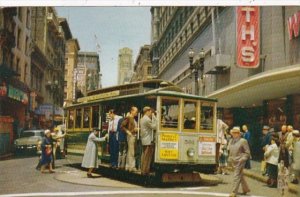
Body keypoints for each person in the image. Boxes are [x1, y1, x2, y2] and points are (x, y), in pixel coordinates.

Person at [228, 126, 251, 197]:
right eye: (233, 133)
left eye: (236, 133)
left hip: (240, 161)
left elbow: (247, 152)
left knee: (236, 176)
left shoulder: (243, 141)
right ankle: (246, 189)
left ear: (239, 134)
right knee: (240, 175)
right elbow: (230, 150)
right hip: (233, 161)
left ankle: (234, 192)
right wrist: (229, 159)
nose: (234, 134)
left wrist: (242, 159)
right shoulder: (231, 141)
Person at [121, 106, 139, 172]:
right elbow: (122, 126)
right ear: (132, 111)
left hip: (132, 135)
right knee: (132, 151)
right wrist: (128, 131)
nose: (136, 113)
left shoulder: (133, 118)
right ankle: (132, 167)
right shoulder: (129, 118)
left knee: (130, 151)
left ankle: (128, 166)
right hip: (131, 136)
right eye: (135, 111)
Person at [140, 106, 157, 175]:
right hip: (148, 140)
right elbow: (155, 127)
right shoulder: (147, 119)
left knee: (145, 156)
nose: (151, 113)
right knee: (147, 156)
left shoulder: (142, 118)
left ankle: (144, 170)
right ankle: (145, 171)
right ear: (147, 111)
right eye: (150, 112)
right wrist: (155, 117)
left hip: (145, 139)